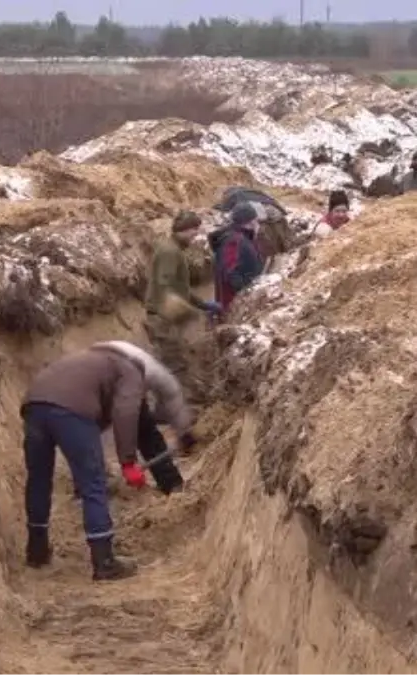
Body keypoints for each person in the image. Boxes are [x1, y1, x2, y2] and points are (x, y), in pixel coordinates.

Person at [21, 344, 153, 581]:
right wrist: (128, 463)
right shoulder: (131, 371)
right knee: (95, 484)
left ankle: (36, 550)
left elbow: (96, 419)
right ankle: (104, 562)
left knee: (38, 479)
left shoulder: (91, 361)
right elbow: (125, 412)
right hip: (71, 410)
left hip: (34, 404)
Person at [144, 211, 221, 400]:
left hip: (163, 316)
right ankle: (172, 407)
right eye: (194, 230)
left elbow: (180, 288)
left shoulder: (173, 250)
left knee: (172, 360)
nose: (196, 234)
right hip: (162, 318)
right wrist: (181, 309)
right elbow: (164, 284)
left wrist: (202, 304)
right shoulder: (169, 252)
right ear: (184, 230)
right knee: (173, 363)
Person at [209, 202, 265, 315]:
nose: (258, 224)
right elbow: (230, 271)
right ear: (250, 221)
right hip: (232, 303)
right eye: (256, 220)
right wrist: (245, 291)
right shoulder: (234, 241)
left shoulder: (245, 237)